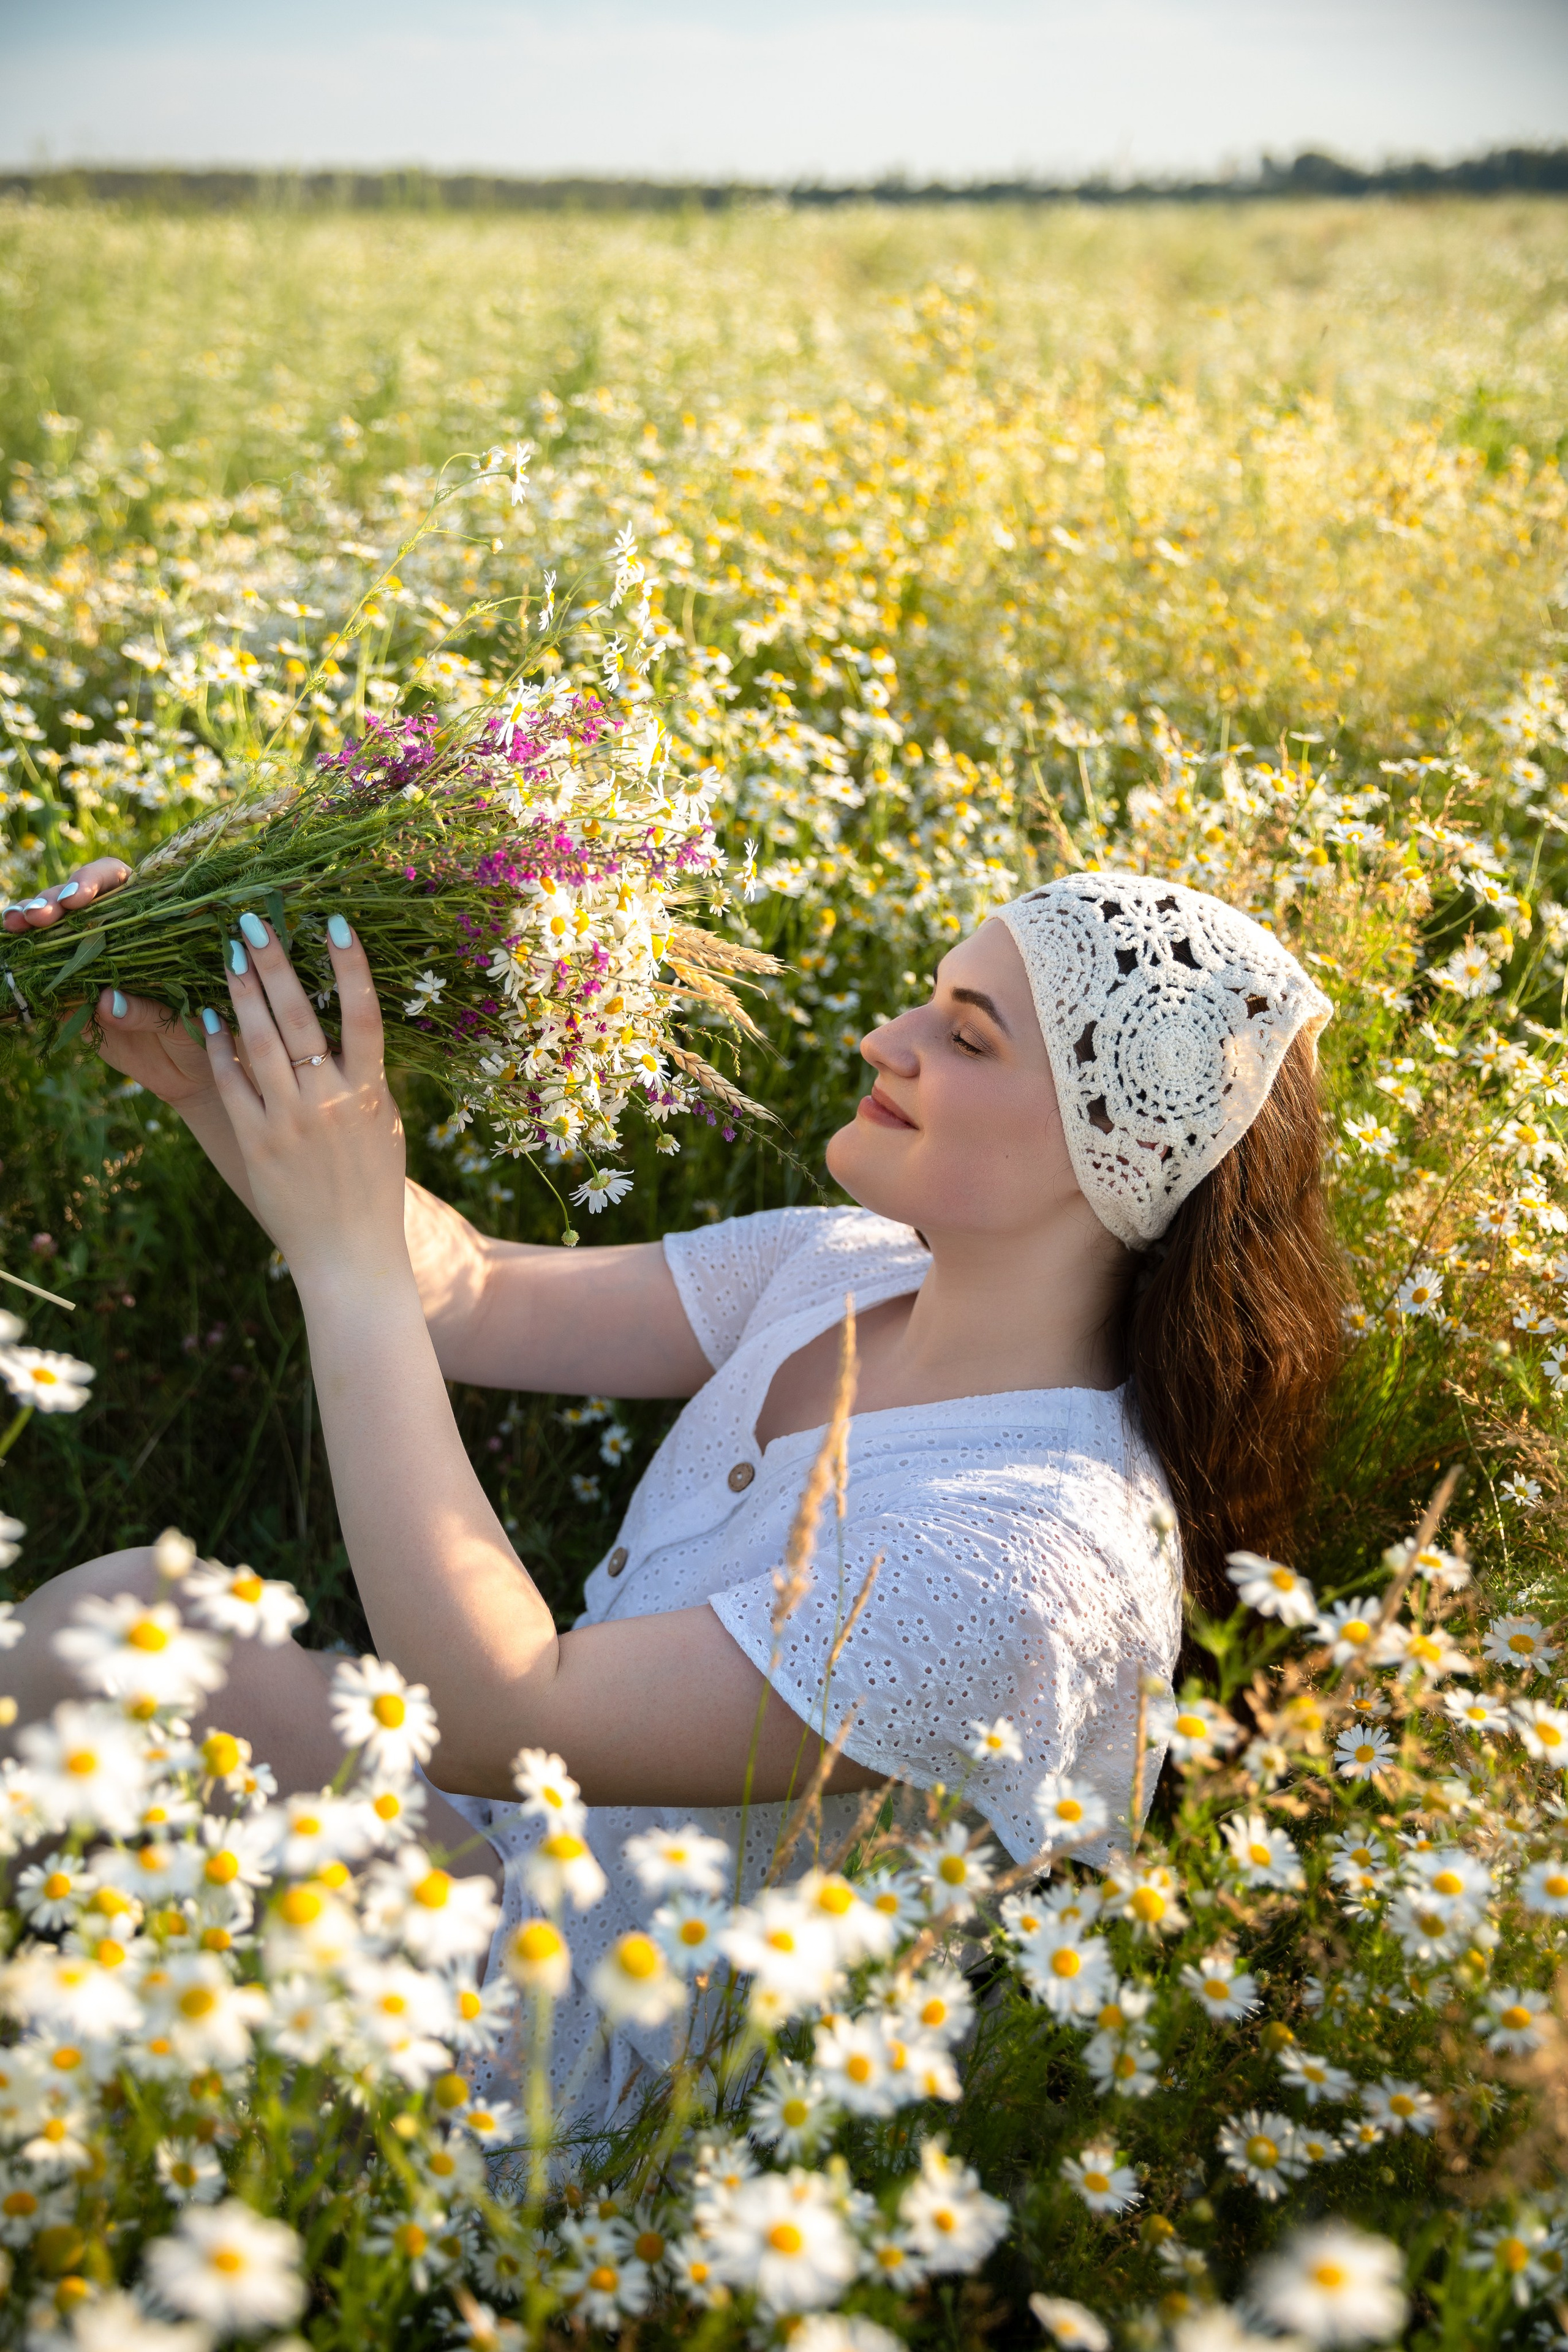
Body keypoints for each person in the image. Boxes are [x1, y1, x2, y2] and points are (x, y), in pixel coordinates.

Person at [1, 861, 1343, 2123]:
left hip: (577, 2089)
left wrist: (344, 1257)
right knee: (122, 1626)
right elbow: (469, 1291)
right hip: (510, 1864)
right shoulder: (846, 1268)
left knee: (118, 1638)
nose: (886, 1040)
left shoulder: (1034, 1555)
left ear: (1113, 1149)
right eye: (926, 1002)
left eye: (968, 1038)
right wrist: (213, 1078)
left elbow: (494, 1714)